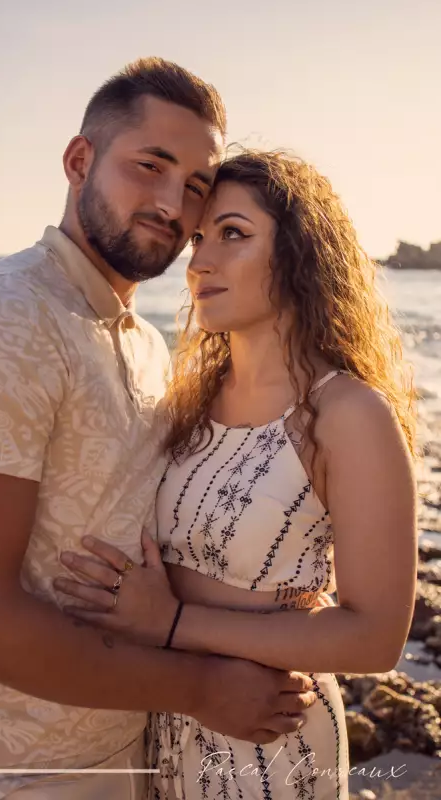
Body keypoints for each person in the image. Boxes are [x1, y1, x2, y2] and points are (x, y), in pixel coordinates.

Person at [0, 63, 317, 800]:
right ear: (78, 162)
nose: (171, 203)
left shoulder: (144, 343)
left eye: (195, 184)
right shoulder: (3, 318)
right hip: (10, 774)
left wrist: (264, 603)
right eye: (148, 166)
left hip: (129, 751)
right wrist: (200, 687)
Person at [56, 150, 418, 799]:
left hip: (270, 740)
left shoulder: (345, 413)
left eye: (232, 234)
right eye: (196, 238)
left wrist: (168, 624)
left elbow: (374, 637)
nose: (198, 262)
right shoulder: (184, 401)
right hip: (167, 725)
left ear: (301, 254)